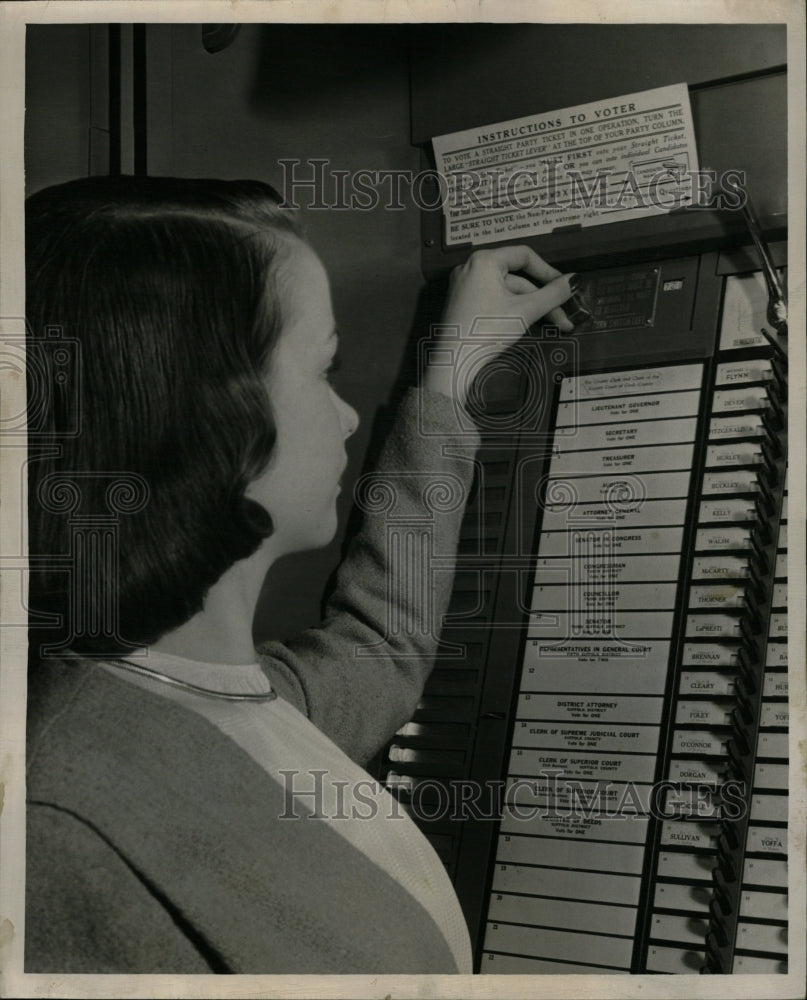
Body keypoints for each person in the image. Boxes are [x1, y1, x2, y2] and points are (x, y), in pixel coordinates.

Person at [24, 175, 576, 974]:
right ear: (214, 415)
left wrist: (450, 374)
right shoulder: (58, 822)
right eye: (323, 369)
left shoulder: (209, 698)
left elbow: (380, 645)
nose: (348, 414)